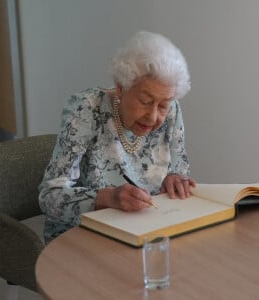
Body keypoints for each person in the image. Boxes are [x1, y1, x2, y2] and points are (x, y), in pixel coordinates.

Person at [38, 31, 195, 243]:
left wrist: (175, 178)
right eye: (146, 101)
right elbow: (50, 196)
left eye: (163, 105)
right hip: (82, 237)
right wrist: (108, 198)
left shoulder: (172, 111)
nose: (154, 115)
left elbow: (178, 169)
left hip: (145, 234)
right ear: (121, 88)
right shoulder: (86, 110)